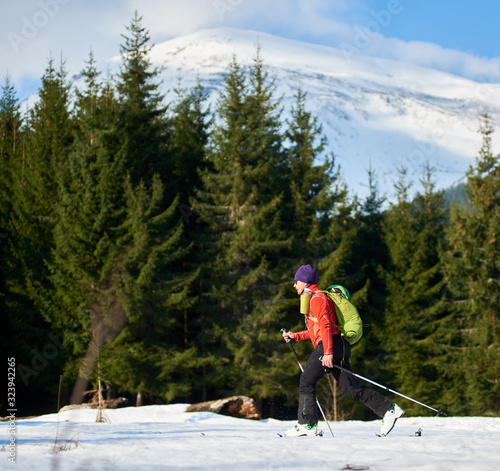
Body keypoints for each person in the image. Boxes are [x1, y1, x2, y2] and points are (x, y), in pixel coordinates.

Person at [282, 264, 404, 437]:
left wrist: (328, 352)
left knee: (306, 380)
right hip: (337, 344)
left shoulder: (318, 298)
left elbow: (325, 325)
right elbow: (316, 329)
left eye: (296, 281)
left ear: (305, 282)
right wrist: (296, 336)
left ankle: (307, 424)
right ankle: (388, 409)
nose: (295, 285)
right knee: (350, 387)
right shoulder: (315, 298)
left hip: (329, 345)